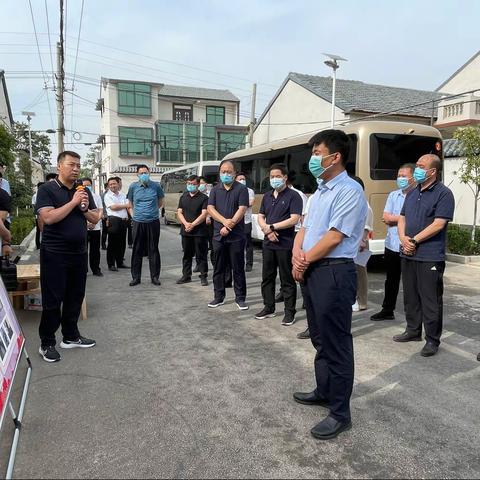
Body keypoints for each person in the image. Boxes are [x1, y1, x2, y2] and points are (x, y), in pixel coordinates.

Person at [292, 129, 367, 440]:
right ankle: (324, 390)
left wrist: (305, 259)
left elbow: (335, 236)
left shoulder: (349, 191)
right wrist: (298, 254)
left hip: (334, 273)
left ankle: (340, 412)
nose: (313, 158)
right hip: (313, 270)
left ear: (335, 156)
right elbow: (304, 228)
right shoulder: (320, 191)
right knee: (320, 338)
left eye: (317, 152)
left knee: (336, 343)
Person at [35, 151, 99, 363]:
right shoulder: (47, 189)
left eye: (79, 166)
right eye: (72, 164)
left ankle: (70, 336)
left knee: (75, 295)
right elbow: (48, 218)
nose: (76, 169)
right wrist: (73, 203)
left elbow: (95, 218)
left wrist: (83, 209)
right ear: (59, 166)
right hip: (55, 253)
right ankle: (47, 342)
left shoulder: (83, 190)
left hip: (79, 252)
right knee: (53, 299)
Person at [393, 154, 455, 357]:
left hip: (429, 255)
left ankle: (432, 340)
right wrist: (403, 238)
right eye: (417, 164)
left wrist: (414, 241)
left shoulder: (444, 194)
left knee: (431, 299)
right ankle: (412, 330)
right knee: (410, 295)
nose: (417, 169)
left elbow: (439, 223)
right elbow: (402, 217)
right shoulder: (412, 192)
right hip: (408, 253)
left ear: (432, 172)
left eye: (421, 166)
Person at [255, 164, 302, 325]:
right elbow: (261, 216)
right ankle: (269, 307)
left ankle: (290, 312)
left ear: (285, 177)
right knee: (267, 277)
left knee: (286, 279)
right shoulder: (267, 196)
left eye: (277, 176)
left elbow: (294, 219)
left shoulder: (293, 196)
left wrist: (273, 227)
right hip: (268, 243)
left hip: (285, 243)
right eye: (271, 177)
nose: (274, 179)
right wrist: (267, 230)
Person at [371, 164, 416, 321]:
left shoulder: (417, 196)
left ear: (413, 177)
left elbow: (415, 220)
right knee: (391, 279)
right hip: (391, 244)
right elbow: (385, 217)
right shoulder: (393, 195)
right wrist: (404, 218)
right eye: (399, 175)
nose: (400, 179)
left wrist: (396, 218)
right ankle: (387, 309)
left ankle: (412, 317)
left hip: (409, 245)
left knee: (410, 283)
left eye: (404, 176)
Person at [207, 160, 249, 310]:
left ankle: (240, 298)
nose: (226, 174)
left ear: (235, 173)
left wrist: (230, 225)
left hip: (236, 236)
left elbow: (242, 209)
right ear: (219, 173)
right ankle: (218, 296)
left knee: (238, 268)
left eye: (229, 172)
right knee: (218, 267)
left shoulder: (241, 189)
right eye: (223, 172)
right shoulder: (215, 190)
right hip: (218, 235)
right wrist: (225, 222)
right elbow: (210, 208)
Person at [127, 165, 164, 286]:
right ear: (137, 174)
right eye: (141, 173)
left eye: (146, 172)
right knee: (137, 249)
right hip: (138, 222)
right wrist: (134, 216)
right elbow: (130, 203)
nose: (144, 174)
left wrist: (151, 212)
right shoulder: (133, 187)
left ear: (149, 173)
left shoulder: (156, 186)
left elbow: (160, 202)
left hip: (153, 222)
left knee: (153, 249)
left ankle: (154, 277)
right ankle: (136, 277)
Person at [176, 175, 209, 286]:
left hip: (200, 232)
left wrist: (193, 224)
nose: (191, 186)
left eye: (193, 184)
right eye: (189, 184)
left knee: (201, 255)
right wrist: (186, 224)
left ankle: (203, 276)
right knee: (187, 255)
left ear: (198, 185)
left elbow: (204, 214)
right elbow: (179, 212)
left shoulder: (204, 198)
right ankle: (186, 276)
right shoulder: (183, 197)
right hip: (186, 231)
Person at [350, 176, 373, 312]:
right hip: (351, 242)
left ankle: (362, 301)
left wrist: (363, 241)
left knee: (359, 272)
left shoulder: (364, 204)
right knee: (352, 272)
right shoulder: (353, 202)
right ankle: (353, 299)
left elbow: (367, 226)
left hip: (360, 242)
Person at [104, 177, 129, 272]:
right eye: (110, 184)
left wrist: (125, 206)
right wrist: (125, 206)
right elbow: (114, 207)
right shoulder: (108, 196)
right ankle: (111, 264)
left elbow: (128, 204)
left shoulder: (122, 195)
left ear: (118, 184)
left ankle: (120, 262)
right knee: (112, 243)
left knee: (122, 243)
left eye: (114, 184)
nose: (112, 186)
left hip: (123, 221)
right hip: (113, 221)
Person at [82, 178, 104, 277]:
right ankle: (84, 269)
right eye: (84, 185)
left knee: (95, 250)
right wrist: (87, 223)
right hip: (83, 228)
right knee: (83, 250)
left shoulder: (97, 196)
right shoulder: (79, 196)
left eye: (88, 185)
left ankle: (96, 269)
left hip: (96, 227)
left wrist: (94, 222)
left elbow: (100, 210)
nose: (87, 187)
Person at [235, 172, 255, 272]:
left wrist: (240, 205)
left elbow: (250, 203)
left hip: (246, 221)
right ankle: (238, 262)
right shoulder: (233, 190)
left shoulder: (249, 191)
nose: (242, 180)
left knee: (248, 243)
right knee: (237, 243)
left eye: (243, 179)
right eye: (240, 179)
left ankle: (249, 263)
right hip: (236, 221)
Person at [32, 182, 44, 249]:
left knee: (39, 231)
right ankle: (39, 244)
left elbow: (33, 206)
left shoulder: (35, 195)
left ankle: (39, 245)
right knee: (40, 230)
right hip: (39, 216)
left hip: (40, 216)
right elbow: (34, 206)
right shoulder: (36, 195)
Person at [100, 182, 109, 250]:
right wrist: (102, 214)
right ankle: (103, 245)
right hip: (105, 216)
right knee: (105, 231)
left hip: (111, 216)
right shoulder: (103, 195)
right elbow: (101, 206)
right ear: (106, 187)